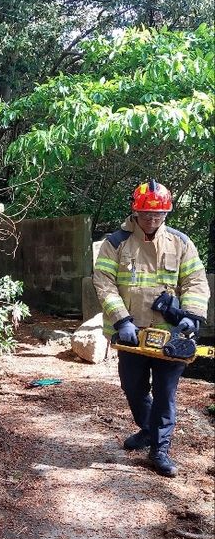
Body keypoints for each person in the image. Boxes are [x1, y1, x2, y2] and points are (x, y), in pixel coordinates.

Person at [92, 180, 210, 477]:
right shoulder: (116, 242)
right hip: (132, 332)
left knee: (165, 393)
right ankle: (146, 428)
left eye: (158, 216)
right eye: (147, 215)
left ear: (166, 214)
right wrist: (121, 320)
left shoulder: (181, 243)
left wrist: (192, 315)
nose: (152, 220)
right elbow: (104, 284)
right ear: (135, 212)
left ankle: (160, 449)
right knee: (133, 387)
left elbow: (196, 282)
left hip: (170, 334)